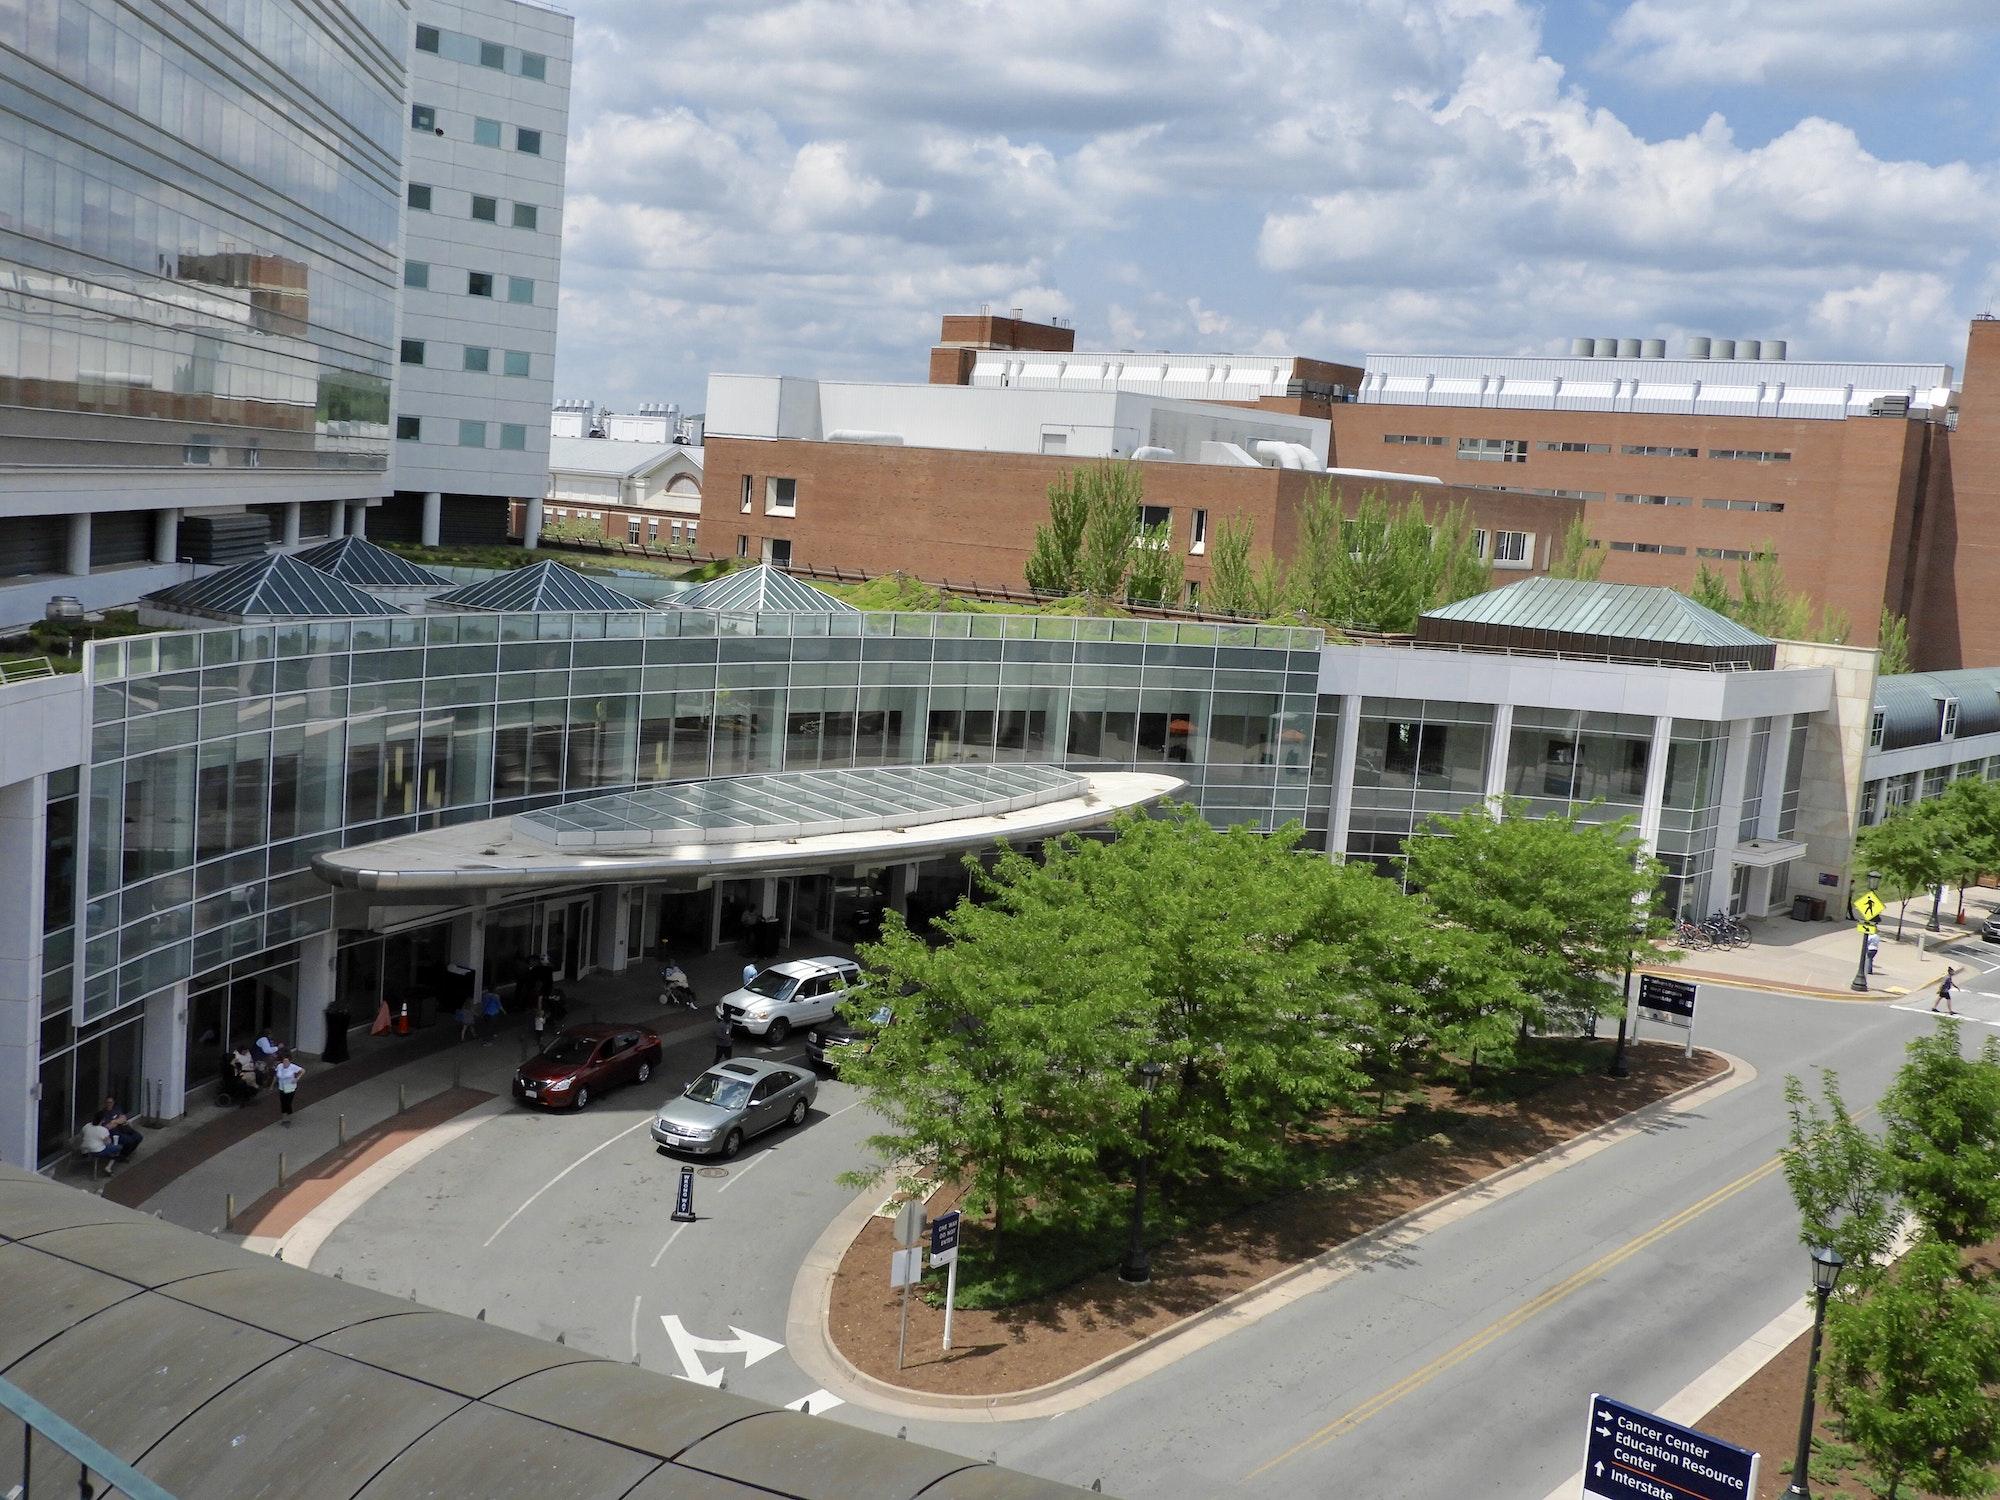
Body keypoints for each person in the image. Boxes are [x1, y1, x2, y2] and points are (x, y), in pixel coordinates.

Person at [273, 1048, 303, 1124]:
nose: (285, 1063)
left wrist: (297, 1078)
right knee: (283, 1102)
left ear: (290, 1061)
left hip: (290, 1086)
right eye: (284, 1061)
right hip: (281, 1087)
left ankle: (289, 1117)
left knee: (288, 1102)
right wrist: (272, 1085)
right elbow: (276, 1076)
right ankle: (284, 1117)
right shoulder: (280, 1066)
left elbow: (303, 1071)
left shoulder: (293, 1067)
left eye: (287, 1061)